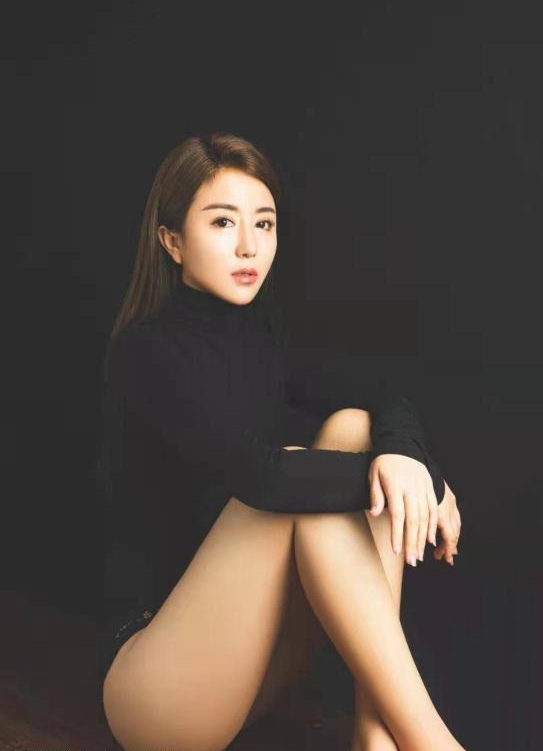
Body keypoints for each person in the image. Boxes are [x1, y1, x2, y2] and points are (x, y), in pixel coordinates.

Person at [96, 132, 464, 751]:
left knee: (353, 428)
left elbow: (381, 396)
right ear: (172, 240)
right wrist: (422, 484)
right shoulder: (146, 354)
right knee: (303, 476)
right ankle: (430, 742)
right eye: (222, 222)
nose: (249, 246)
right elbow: (265, 478)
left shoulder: (262, 337)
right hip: (157, 693)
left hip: (253, 675)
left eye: (263, 224)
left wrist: (412, 461)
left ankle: (375, 734)